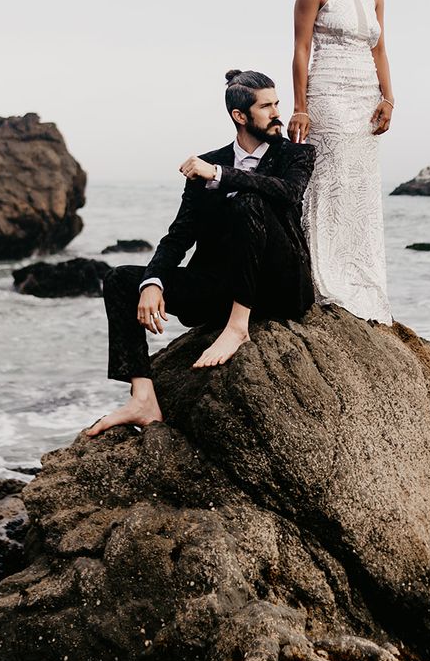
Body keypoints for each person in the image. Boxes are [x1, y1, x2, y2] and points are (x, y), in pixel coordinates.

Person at [86, 70, 316, 437]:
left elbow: (288, 193)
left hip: (280, 286)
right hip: (216, 287)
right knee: (120, 279)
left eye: (277, 103)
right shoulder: (207, 163)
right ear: (240, 116)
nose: (277, 113)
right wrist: (153, 281)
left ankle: (238, 327)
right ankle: (143, 397)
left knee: (250, 202)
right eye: (266, 106)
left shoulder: (296, 154)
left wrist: (220, 175)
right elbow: (180, 235)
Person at [289, 0, 394, 324]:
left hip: (366, 99)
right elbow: (301, 47)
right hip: (328, 92)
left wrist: (388, 98)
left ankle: (363, 284)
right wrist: (300, 106)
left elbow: (379, 50)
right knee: (332, 185)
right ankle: (325, 282)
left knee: (361, 191)